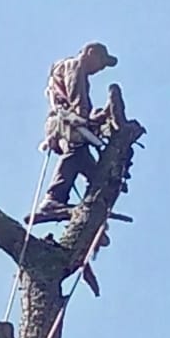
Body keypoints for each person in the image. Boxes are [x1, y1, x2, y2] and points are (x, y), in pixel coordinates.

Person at [37, 42, 118, 216]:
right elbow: (76, 95)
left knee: (96, 172)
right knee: (75, 149)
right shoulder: (74, 65)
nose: (101, 69)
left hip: (62, 123)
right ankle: (53, 199)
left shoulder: (68, 69)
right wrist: (82, 117)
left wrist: (97, 118)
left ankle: (92, 210)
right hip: (66, 123)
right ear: (91, 53)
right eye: (101, 62)